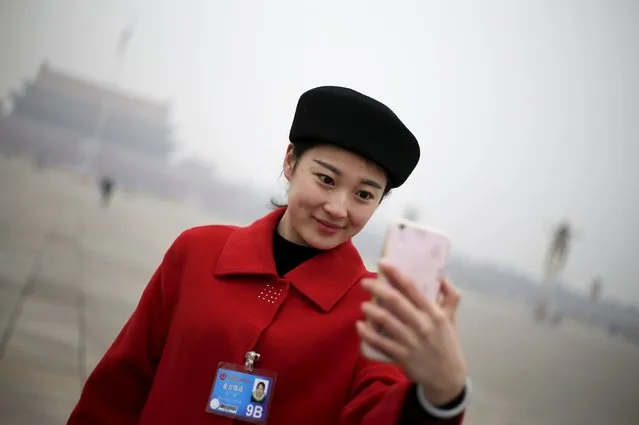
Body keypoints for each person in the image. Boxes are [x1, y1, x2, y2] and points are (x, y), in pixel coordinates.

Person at [67, 86, 471, 425]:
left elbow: (378, 412)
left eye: (364, 194)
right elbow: (120, 385)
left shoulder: (377, 308)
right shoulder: (197, 252)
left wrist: (439, 395)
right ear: (291, 162)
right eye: (326, 179)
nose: (338, 207)